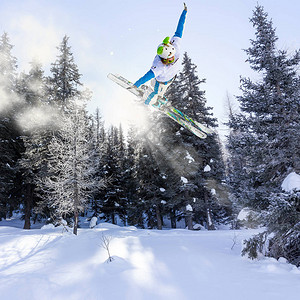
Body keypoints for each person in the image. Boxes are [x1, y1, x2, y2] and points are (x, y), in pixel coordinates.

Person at [130, 3, 187, 107]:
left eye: (172, 56)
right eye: (169, 59)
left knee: (159, 91)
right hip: (160, 81)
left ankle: (156, 95)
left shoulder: (175, 45)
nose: (172, 58)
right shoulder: (159, 66)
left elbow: (179, 29)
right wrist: (136, 85)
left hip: (170, 78)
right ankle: (153, 101)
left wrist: (184, 13)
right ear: (164, 59)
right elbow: (147, 76)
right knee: (155, 92)